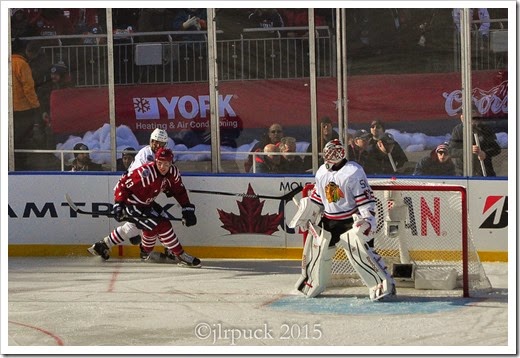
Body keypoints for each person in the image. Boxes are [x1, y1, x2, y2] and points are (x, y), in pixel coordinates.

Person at [288, 139, 396, 301]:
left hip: (350, 220)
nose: (330, 155)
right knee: (316, 252)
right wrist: (307, 212)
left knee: (360, 253)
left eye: (334, 152)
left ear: (342, 153)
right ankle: (311, 282)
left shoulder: (353, 171)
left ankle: (382, 283)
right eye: (328, 152)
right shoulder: (321, 172)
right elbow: (318, 198)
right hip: (329, 220)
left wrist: (367, 220)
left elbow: (365, 199)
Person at [89, 147, 201, 267]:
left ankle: (104, 245)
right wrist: (119, 205)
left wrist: (187, 208)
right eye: (160, 163)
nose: (163, 167)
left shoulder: (173, 173)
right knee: (161, 224)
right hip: (131, 204)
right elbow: (123, 185)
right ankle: (179, 254)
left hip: (146, 204)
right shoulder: (146, 173)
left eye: (166, 164)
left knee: (139, 226)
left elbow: (179, 191)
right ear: (155, 161)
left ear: (171, 163)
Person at [88, 128, 171, 260]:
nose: (157, 145)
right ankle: (160, 251)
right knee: (156, 220)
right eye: (154, 142)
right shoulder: (146, 155)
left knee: (135, 226)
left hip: (140, 197)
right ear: (150, 141)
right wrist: (120, 203)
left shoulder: (161, 155)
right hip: (130, 195)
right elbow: (141, 179)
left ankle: (102, 245)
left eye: (160, 143)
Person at [11, 38, 42, 170]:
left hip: (9, 108)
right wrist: (36, 105)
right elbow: (28, 88)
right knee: (22, 139)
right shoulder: (21, 64)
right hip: (22, 109)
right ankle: (20, 164)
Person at [449, 111, 501, 176]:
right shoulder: (458, 130)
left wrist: (485, 153)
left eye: (473, 117)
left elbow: (496, 148)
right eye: (465, 117)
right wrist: (467, 150)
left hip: (484, 172)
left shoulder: (485, 129)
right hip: (463, 173)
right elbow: (451, 151)